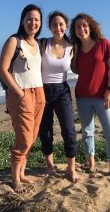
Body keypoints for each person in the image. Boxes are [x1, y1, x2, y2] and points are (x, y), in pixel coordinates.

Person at [0, 4, 45, 193]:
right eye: (29, 19)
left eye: (36, 20)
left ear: (40, 23)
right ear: (22, 21)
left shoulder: (38, 44)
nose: (33, 23)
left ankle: (22, 174)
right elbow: (2, 69)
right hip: (21, 94)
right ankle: (15, 179)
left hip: (39, 93)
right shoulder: (14, 41)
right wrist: (18, 92)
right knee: (23, 139)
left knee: (32, 137)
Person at [70, 13, 110, 176]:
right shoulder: (77, 47)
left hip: (102, 96)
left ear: (91, 26)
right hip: (82, 96)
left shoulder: (104, 44)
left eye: (84, 25)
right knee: (87, 132)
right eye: (77, 27)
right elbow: (76, 70)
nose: (81, 29)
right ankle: (91, 164)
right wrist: (76, 51)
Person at [39, 11, 79, 182]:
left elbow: (79, 66)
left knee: (69, 130)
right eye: (54, 24)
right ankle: (50, 165)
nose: (58, 27)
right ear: (49, 27)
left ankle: (71, 168)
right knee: (45, 130)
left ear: (66, 26)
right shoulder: (43, 44)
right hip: (42, 90)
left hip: (62, 90)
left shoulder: (72, 45)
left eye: (61, 24)